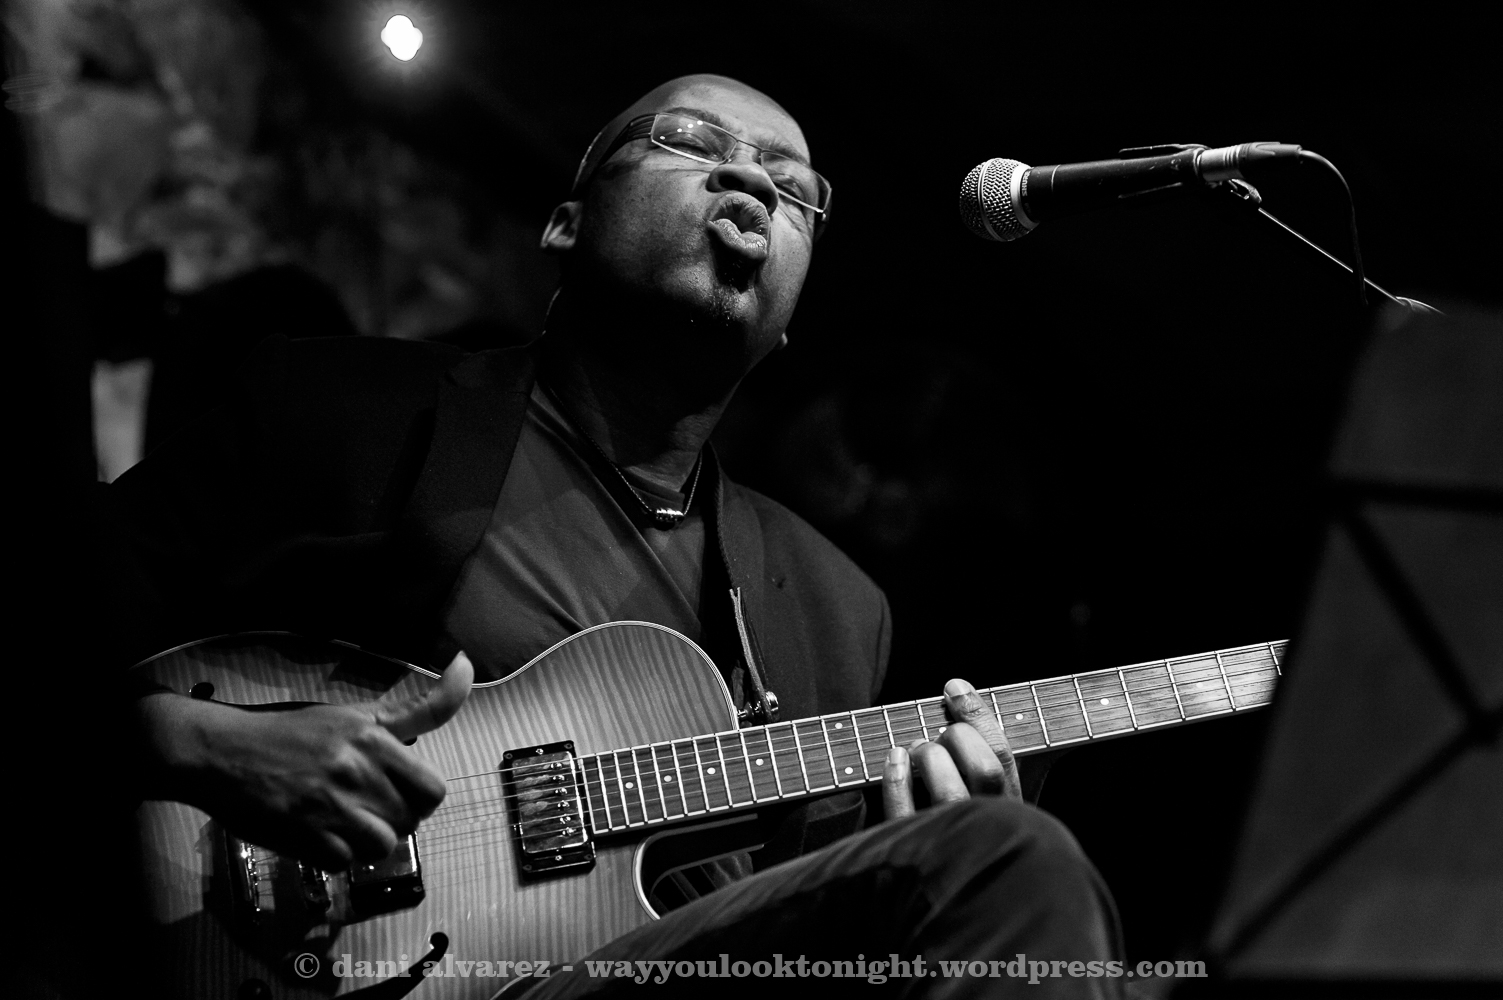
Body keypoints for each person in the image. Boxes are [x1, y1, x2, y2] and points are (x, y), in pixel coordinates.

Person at [109, 74, 1123, 997]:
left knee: (1002, 865)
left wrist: (913, 881)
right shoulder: (335, 408)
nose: (750, 180)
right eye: (690, 141)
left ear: (790, 319)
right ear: (565, 223)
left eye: (793, 188)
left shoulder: (835, 608)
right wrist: (196, 743)